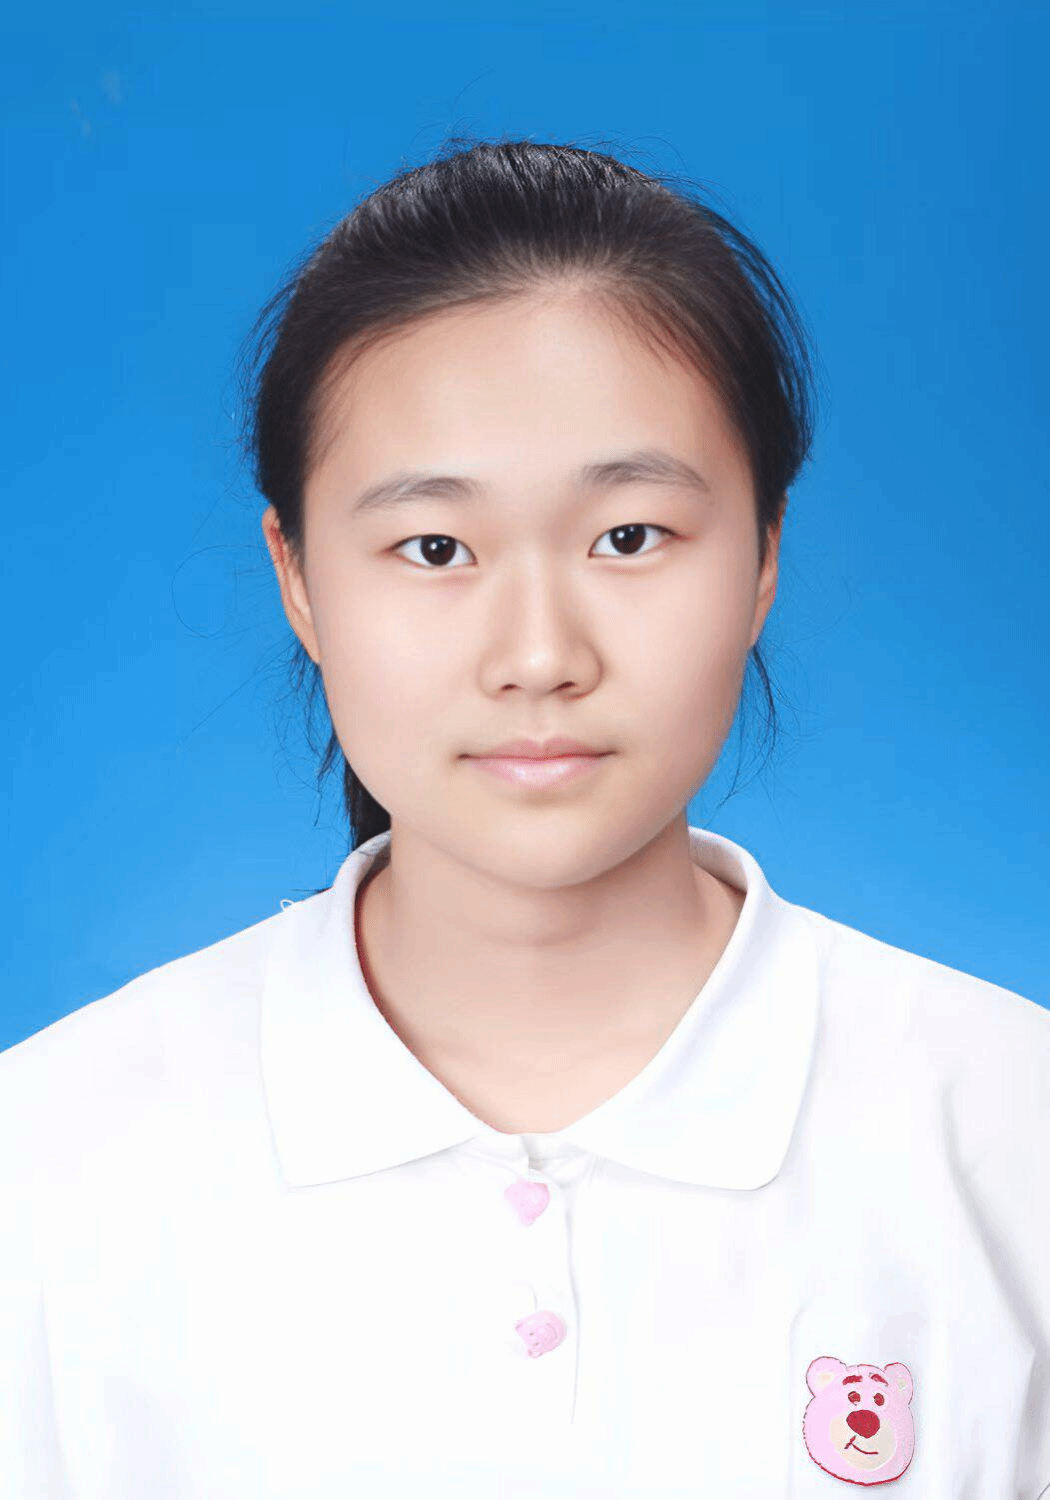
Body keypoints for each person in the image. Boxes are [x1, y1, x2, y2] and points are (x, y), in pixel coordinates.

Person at [1, 138, 1048, 1500]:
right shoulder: (49, 1163)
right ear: (298, 578)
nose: (539, 655)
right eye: (435, 549)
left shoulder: (1008, 1135)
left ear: (765, 554)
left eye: (629, 536)